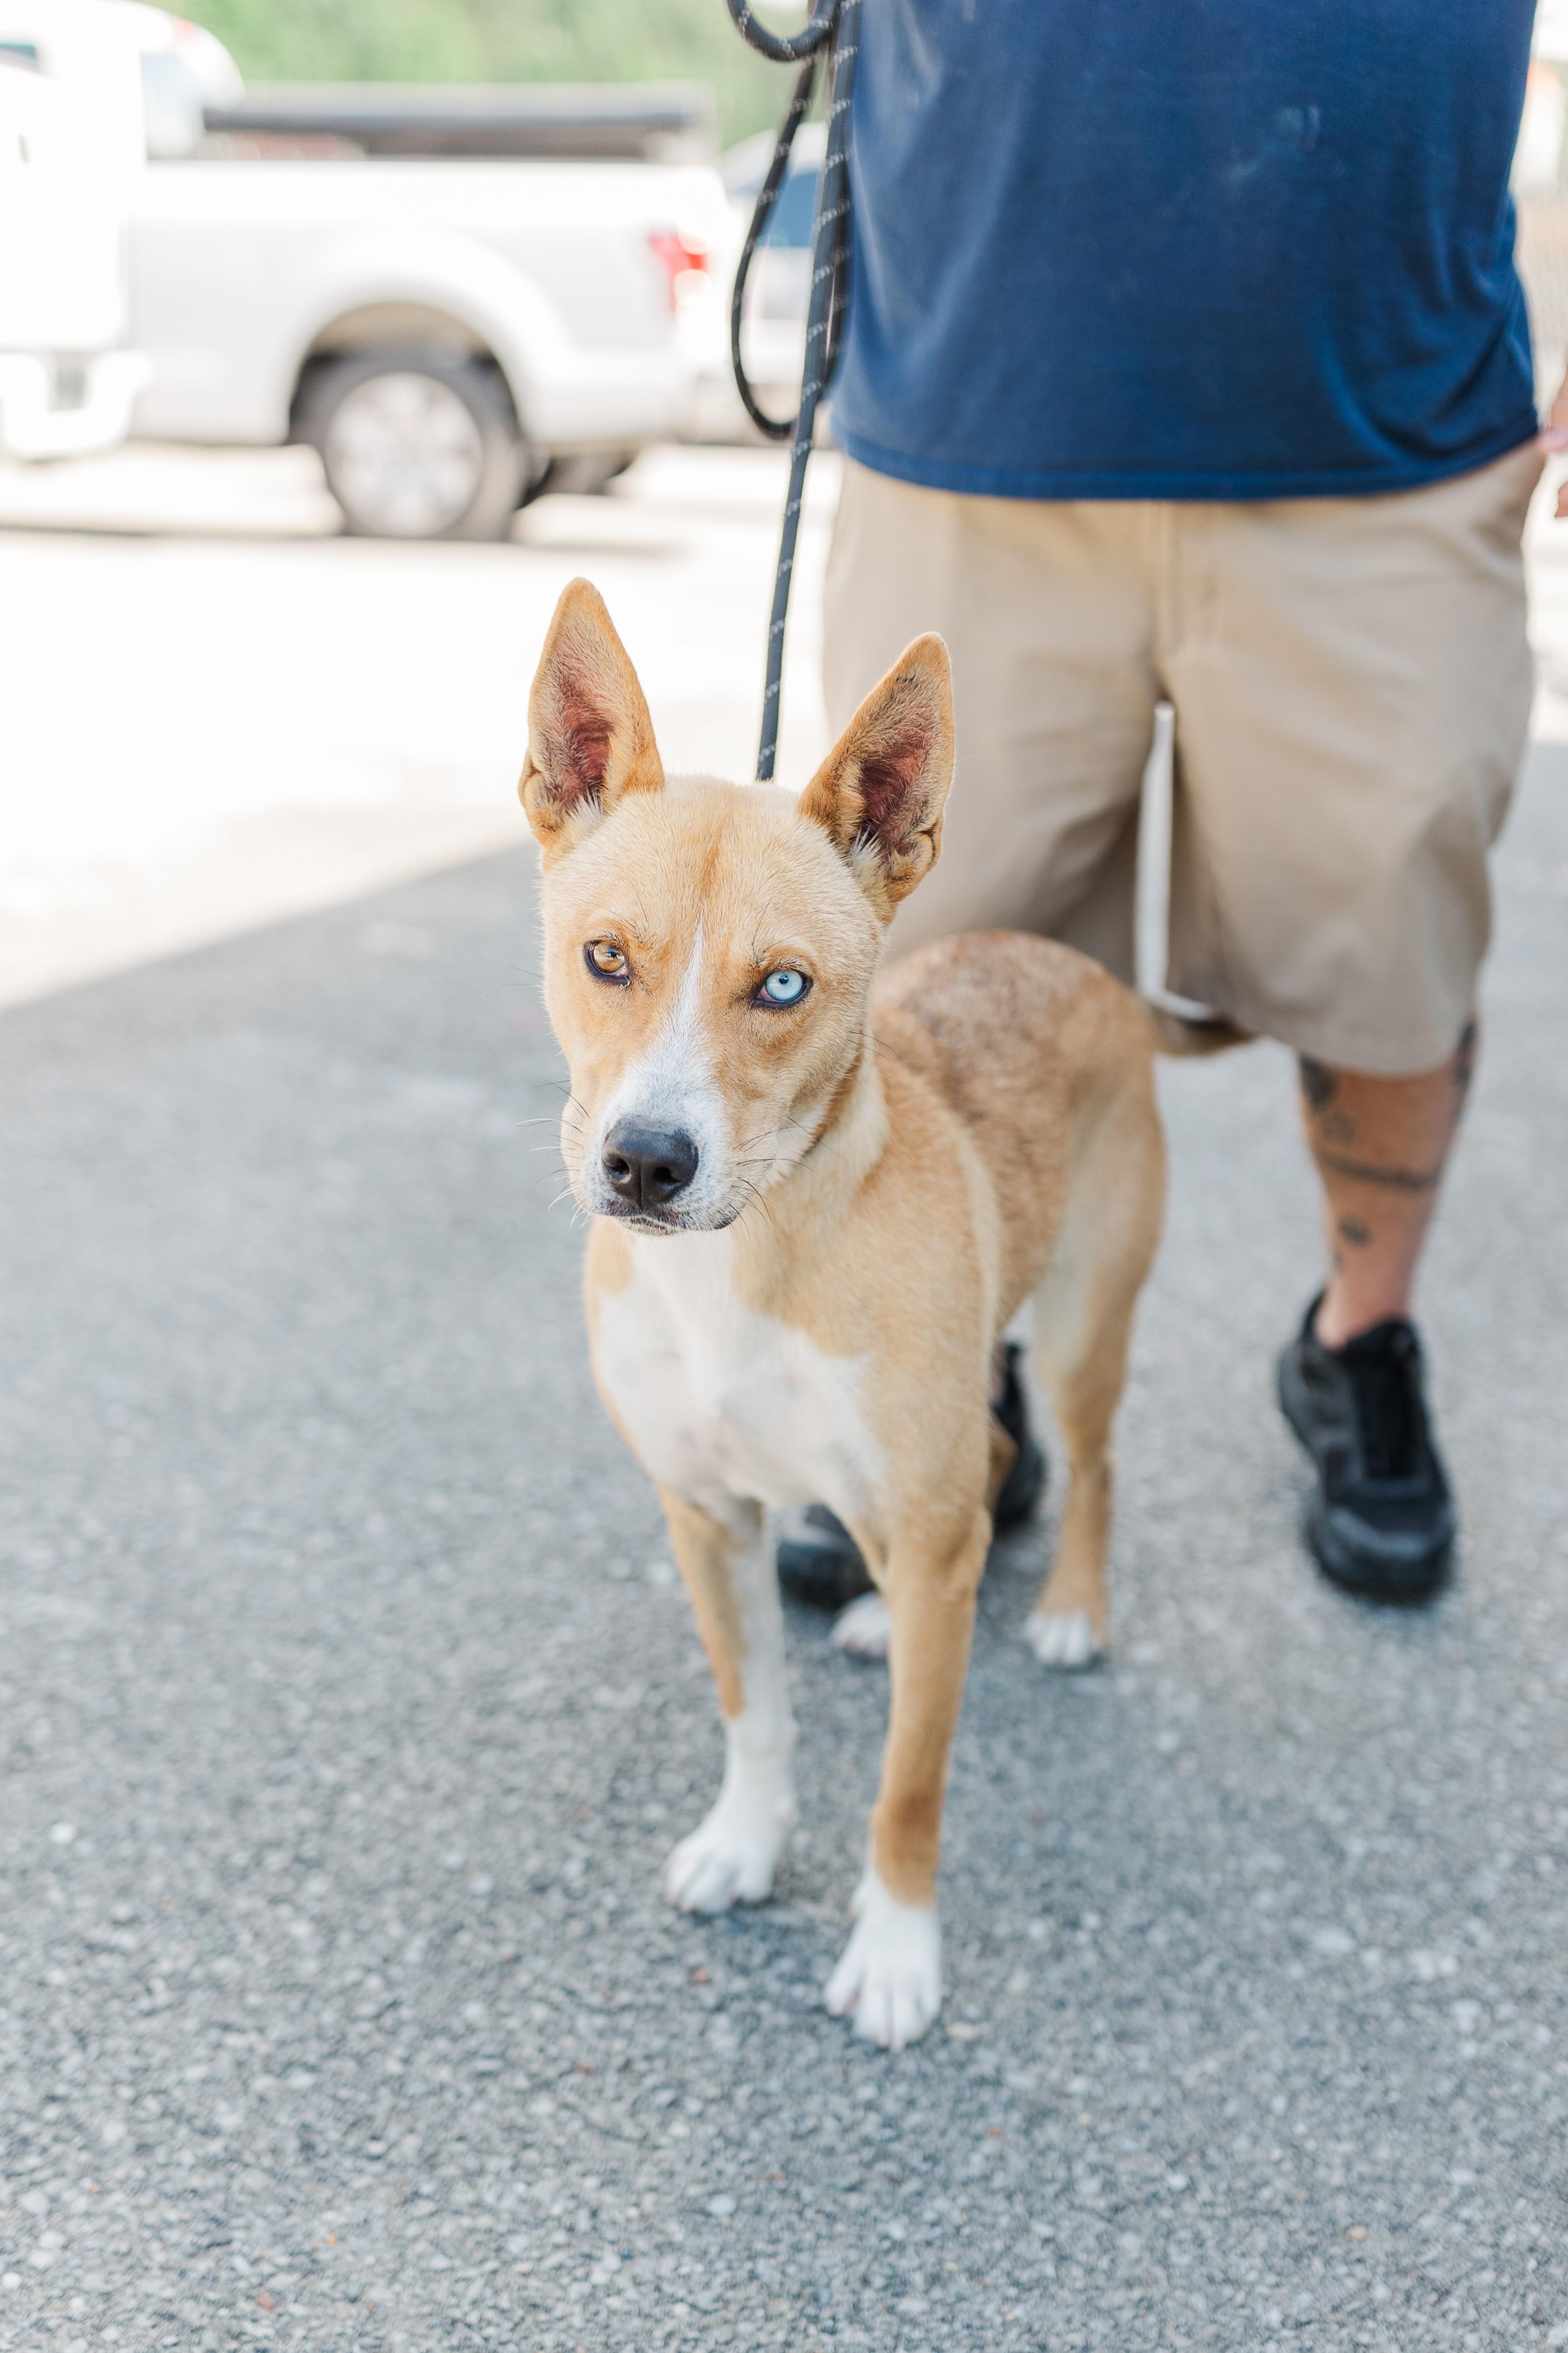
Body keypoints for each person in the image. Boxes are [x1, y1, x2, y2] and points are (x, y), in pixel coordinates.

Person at [777, 0, 1549, 1614]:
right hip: (970, 418)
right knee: (933, 971)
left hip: (1388, 430)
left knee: (1391, 949)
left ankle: (1360, 1342)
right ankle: (948, 1366)